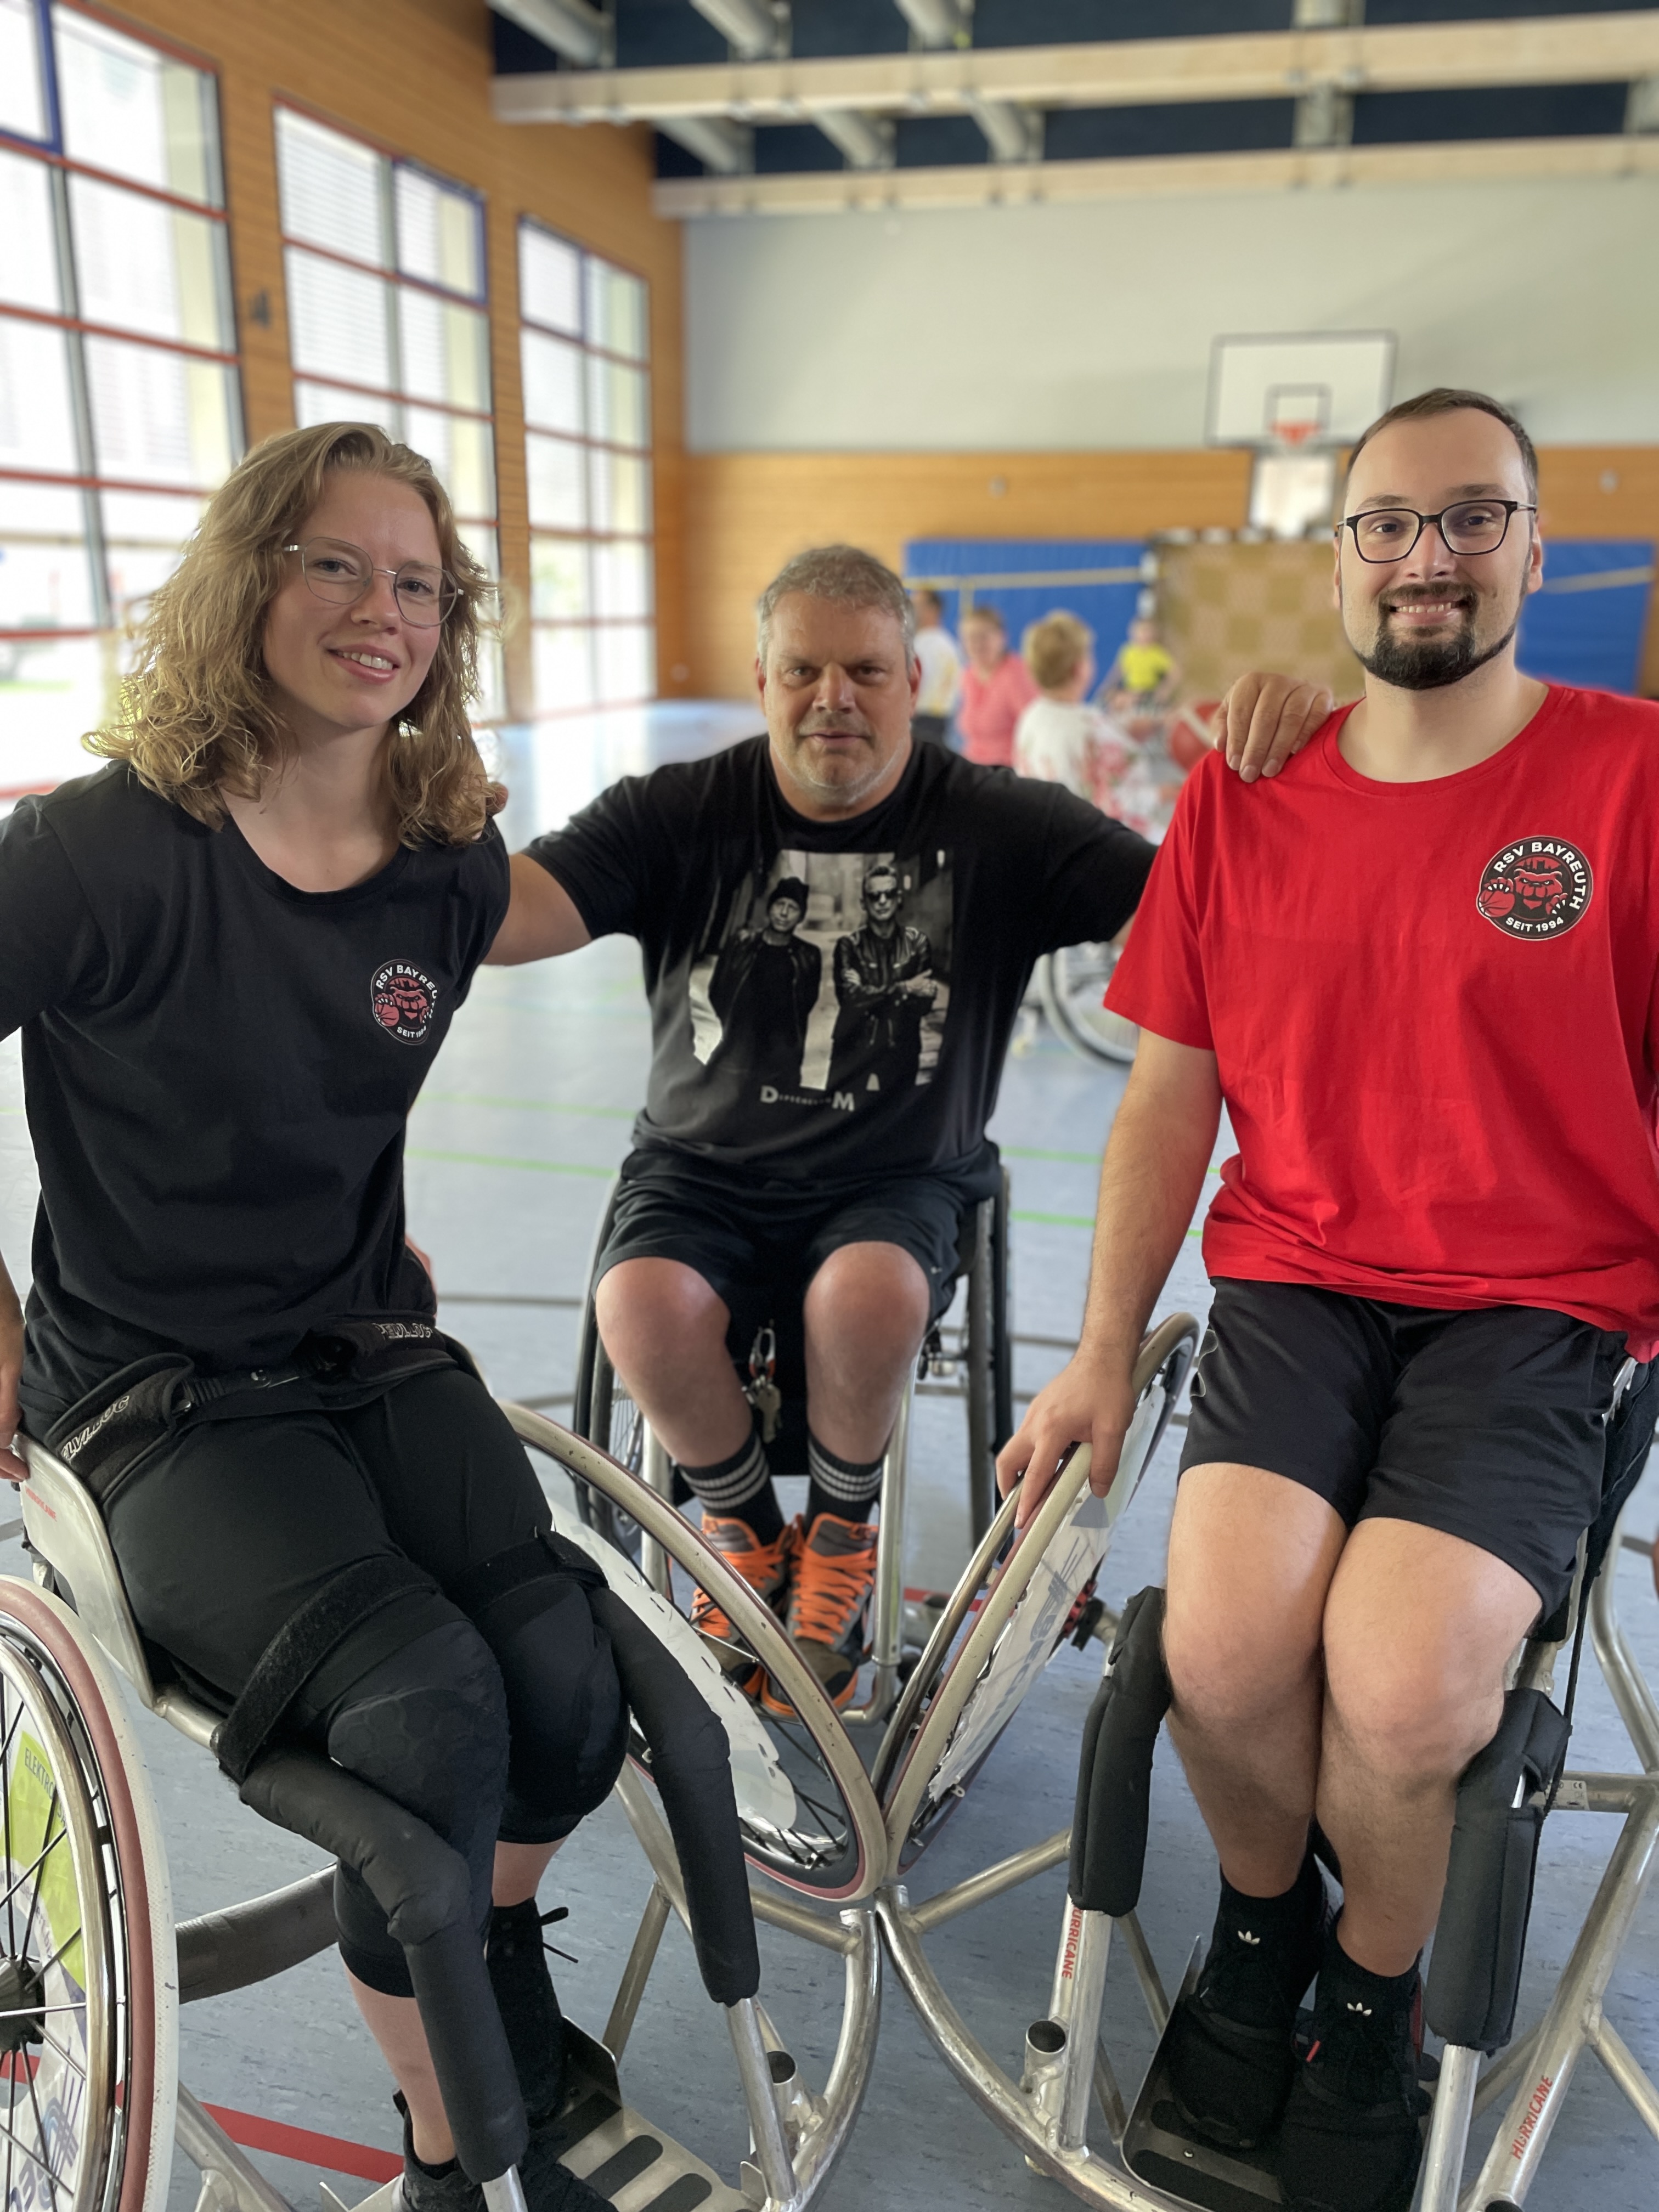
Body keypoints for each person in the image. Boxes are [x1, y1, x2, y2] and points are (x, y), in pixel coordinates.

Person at [999, 388, 1659, 2212]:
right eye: (1387, 523)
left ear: (1536, 548)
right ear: (1342, 554)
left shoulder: (1631, 777)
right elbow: (1167, 1096)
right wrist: (1099, 1358)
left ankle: (1370, 1995)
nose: (1426, 556)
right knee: (1220, 1653)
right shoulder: (1249, 782)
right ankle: (1261, 1931)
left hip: (1534, 1312)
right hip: (1300, 1284)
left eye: (1472, 518)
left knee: (1404, 1680)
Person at [0, 424, 618, 2212]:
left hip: (365, 1354)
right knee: (426, 1719)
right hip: (158, 1395)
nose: (380, 609)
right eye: (334, 563)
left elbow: (602, 887)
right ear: (246, 579)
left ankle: (482, 1966)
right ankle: (447, 2148)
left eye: (417, 582)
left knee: (569, 1696)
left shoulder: (442, 859)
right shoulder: (93, 854)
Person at [488, 546, 1321, 1714]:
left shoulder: (997, 823)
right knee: (637, 1303)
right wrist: (438, 835)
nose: (833, 698)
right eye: (803, 671)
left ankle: (841, 1532)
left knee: (867, 1295)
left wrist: (1278, 770)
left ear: (912, 679)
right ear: (763, 679)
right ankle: (742, 1530)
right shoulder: (677, 811)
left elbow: (1194, 898)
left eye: (866, 672)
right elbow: (514, 916)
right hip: (696, 1171)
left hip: (899, 1179)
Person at [826, 860, 939, 1097]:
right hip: (853, 1048)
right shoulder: (850, 946)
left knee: (898, 1114)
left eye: (889, 894)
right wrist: (905, 988)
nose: (882, 901)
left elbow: (923, 1005)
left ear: (899, 898)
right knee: (843, 1114)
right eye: (874, 896)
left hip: (901, 1048)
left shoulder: (917, 944)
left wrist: (869, 993)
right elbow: (850, 998)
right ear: (863, 903)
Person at [1014, 610, 1135, 810]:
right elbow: (1126, 798)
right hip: (1084, 826)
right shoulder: (1091, 726)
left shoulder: (1029, 716)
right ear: (1079, 668)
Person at [707, 874, 822, 1085]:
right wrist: (731, 1026)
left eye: (793, 908)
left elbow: (807, 1001)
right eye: (780, 904)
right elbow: (718, 990)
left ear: (801, 917)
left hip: (781, 1052)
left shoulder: (809, 955)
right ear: (770, 908)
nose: (784, 913)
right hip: (738, 1046)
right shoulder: (741, 944)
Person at [956, 602, 1038, 767]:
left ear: (1002, 637)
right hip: (973, 766)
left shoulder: (1016, 674)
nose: (977, 644)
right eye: (971, 637)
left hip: (1008, 769)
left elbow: (1035, 728)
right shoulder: (968, 675)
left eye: (984, 636)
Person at [1101, 611, 1181, 719]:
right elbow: (1118, 671)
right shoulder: (1128, 651)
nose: (1146, 635)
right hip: (1129, 689)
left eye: (1149, 631)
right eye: (1142, 631)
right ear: (1133, 632)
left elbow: (1176, 672)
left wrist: (1165, 690)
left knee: (1127, 701)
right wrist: (1108, 687)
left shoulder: (1157, 653)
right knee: (1113, 701)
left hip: (1147, 692)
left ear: (1155, 634)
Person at [909, 585, 961, 746]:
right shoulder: (946, 643)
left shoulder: (930, 645)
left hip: (926, 720)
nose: (911, 611)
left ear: (933, 609)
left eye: (916, 606)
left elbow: (917, 683)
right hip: (933, 720)